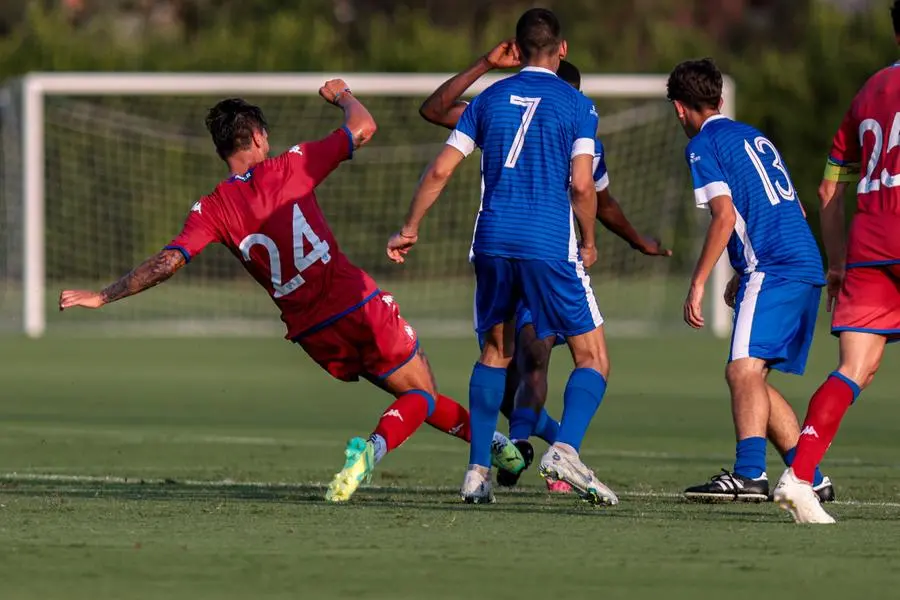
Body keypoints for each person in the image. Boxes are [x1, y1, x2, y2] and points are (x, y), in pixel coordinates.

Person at [58, 79, 524, 504]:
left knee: (412, 396)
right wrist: (341, 95)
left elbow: (168, 262)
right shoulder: (290, 166)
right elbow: (363, 127)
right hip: (355, 301)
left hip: (311, 331)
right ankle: (370, 453)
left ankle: (499, 446)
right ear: (258, 137)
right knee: (421, 396)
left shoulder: (211, 209)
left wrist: (103, 295)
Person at [387, 8, 617, 506]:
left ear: (516, 48)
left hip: (490, 241)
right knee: (593, 357)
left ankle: (476, 473)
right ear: (562, 48)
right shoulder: (578, 105)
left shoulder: (489, 99)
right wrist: (590, 239)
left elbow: (441, 169)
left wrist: (409, 228)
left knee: (495, 352)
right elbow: (581, 184)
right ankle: (566, 450)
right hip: (546, 243)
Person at [419, 47, 670, 493]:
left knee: (528, 359)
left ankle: (515, 449)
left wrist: (636, 240)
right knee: (516, 370)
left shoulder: (572, 133)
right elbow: (436, 109)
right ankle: (550, 444)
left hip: (512, 252)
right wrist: (483, 64)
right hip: (546, 254)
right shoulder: (525, 110)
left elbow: (601, 200)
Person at [667, 58, 835, 503]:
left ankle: (749, 475)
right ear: (720, 99)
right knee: (753, 375)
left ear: (680, 109)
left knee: (740, 370)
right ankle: (809, 474)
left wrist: (698, 282)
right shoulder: (754, 136)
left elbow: (723, 218)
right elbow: (793, 210)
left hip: (775, 266)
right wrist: (744, 271)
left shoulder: (702, 144)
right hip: (803, 264)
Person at [773, 1, 900, 524]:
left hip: (869, 245)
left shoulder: (868, 92)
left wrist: (837, 264)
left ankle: (799, 477)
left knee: (855, 369)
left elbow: (829, 188)